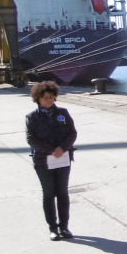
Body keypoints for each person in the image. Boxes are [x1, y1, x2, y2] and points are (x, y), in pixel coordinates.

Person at [25, 81, 77, 241]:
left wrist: (62, 148)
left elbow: (72, 133)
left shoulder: (63, 113)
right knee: (49, 194)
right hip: (43, 161)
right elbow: (31, 138)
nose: (49, 100)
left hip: (63, 159)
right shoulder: (32, 117)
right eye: (45, 98)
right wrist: (51, 150)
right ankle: (53, 228)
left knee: (62, 193)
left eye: (51, 97)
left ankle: (64, 227)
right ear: (38, 99)